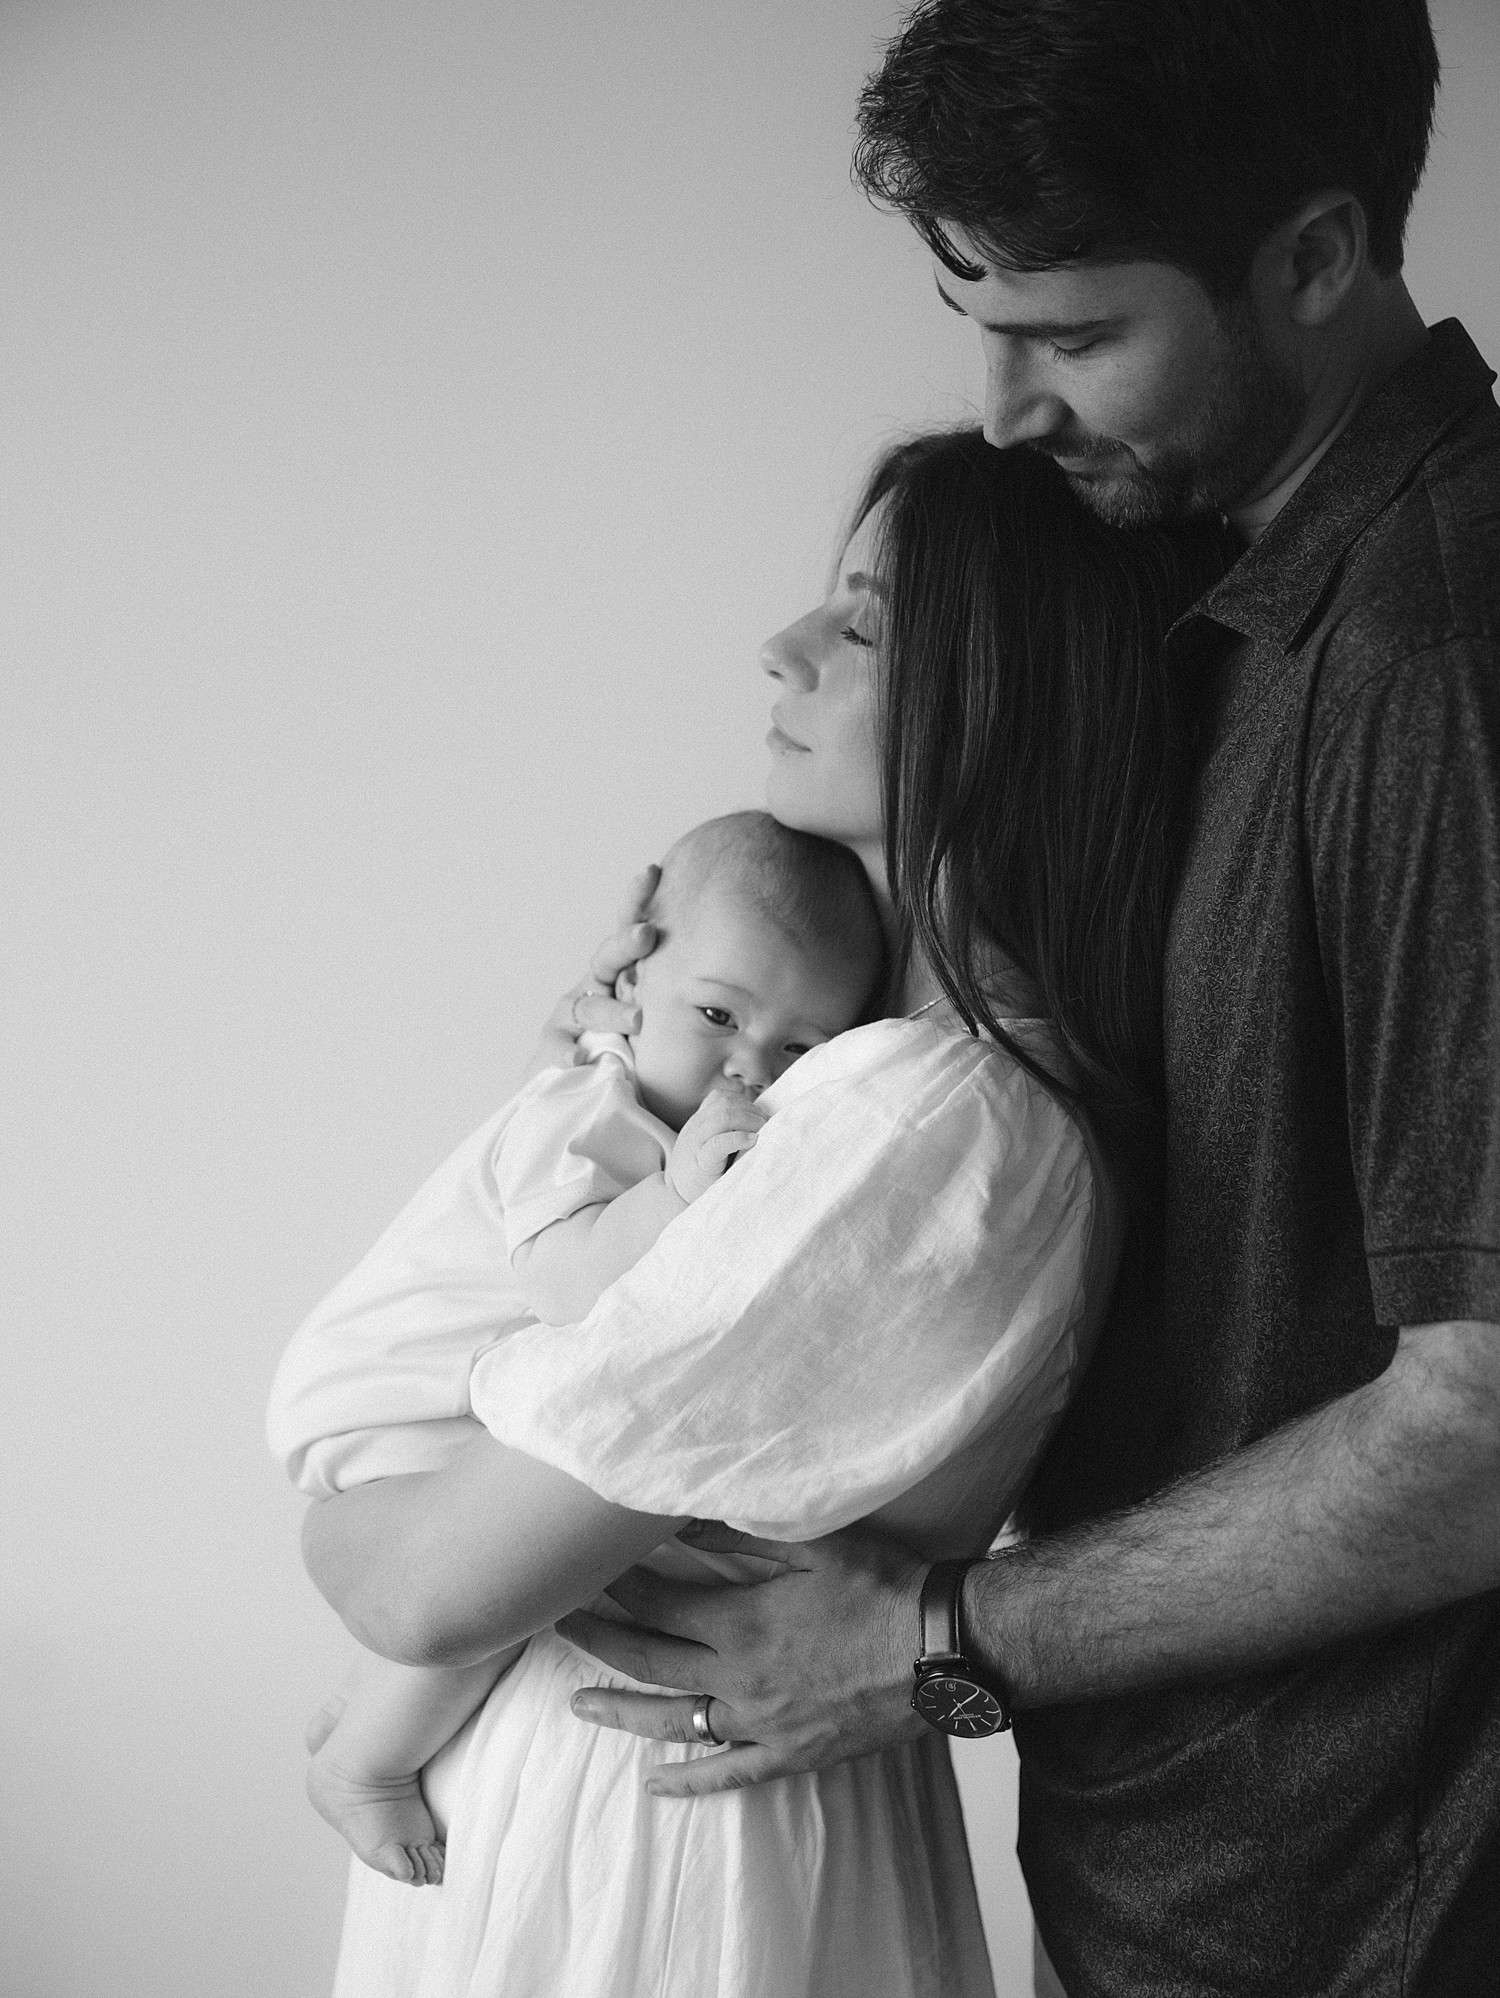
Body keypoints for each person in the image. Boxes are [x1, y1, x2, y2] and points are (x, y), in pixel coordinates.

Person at [553, 5, 1500, 1995]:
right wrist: (699, 1008)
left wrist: (931, 1647)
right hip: (1176, 1878)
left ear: (1318, 256)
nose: (1003, 409)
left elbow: (1487, 1420)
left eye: (1073, 338)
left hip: (1367, 1923)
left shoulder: (1434, 657)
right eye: (976, 319)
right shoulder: (1219, 599)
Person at [282, 432, 1224, 1997]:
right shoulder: (897, 1085)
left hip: (642, 1832)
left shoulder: (924, 1111)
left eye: (859, 625)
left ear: (1006, 706)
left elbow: (421, 1584)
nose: (780, 649)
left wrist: (330, 1477)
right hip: (684, 1796)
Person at [274, 811, 886, 1887]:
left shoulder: (637, 1106)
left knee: (550, 1539)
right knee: (522, 1565)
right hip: (397, 1394)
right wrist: (680, 1190)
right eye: (717, 1014)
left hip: (442, 1394)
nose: (746, 1063)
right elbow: (568, 1285)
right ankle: (367, 1766)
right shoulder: (584, 1109)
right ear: (635, 973)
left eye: (799, 1048)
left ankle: (362, 1708)